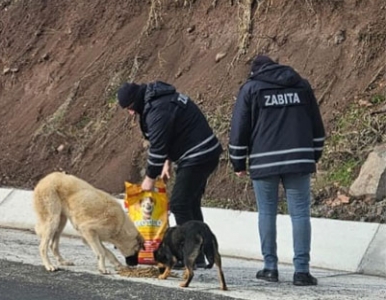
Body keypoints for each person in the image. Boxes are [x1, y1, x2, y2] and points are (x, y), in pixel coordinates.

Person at [228, 55, 325, 286]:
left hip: (264, 160)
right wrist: (315, 153)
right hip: (299, 157)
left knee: (267, 213)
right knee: (300, 213)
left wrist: (238, 161)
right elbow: (316, 123)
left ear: (256, 71)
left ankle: (270, 268)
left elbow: (240, 126)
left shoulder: (251, 88)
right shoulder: (301, 85)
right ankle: (301, 271)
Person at [117, 81, 223, 267]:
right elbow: (170, 135)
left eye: (131, 108)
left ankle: (191, 255)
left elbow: (157, 146)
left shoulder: (158, 109)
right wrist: (168, 162)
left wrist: (149, 179)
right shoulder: (157, 100)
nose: (131, 113)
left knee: (180, 203)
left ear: (136, 101)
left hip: (198, 154)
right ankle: (198, 256)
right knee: (190, 203)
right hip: (204, 152)